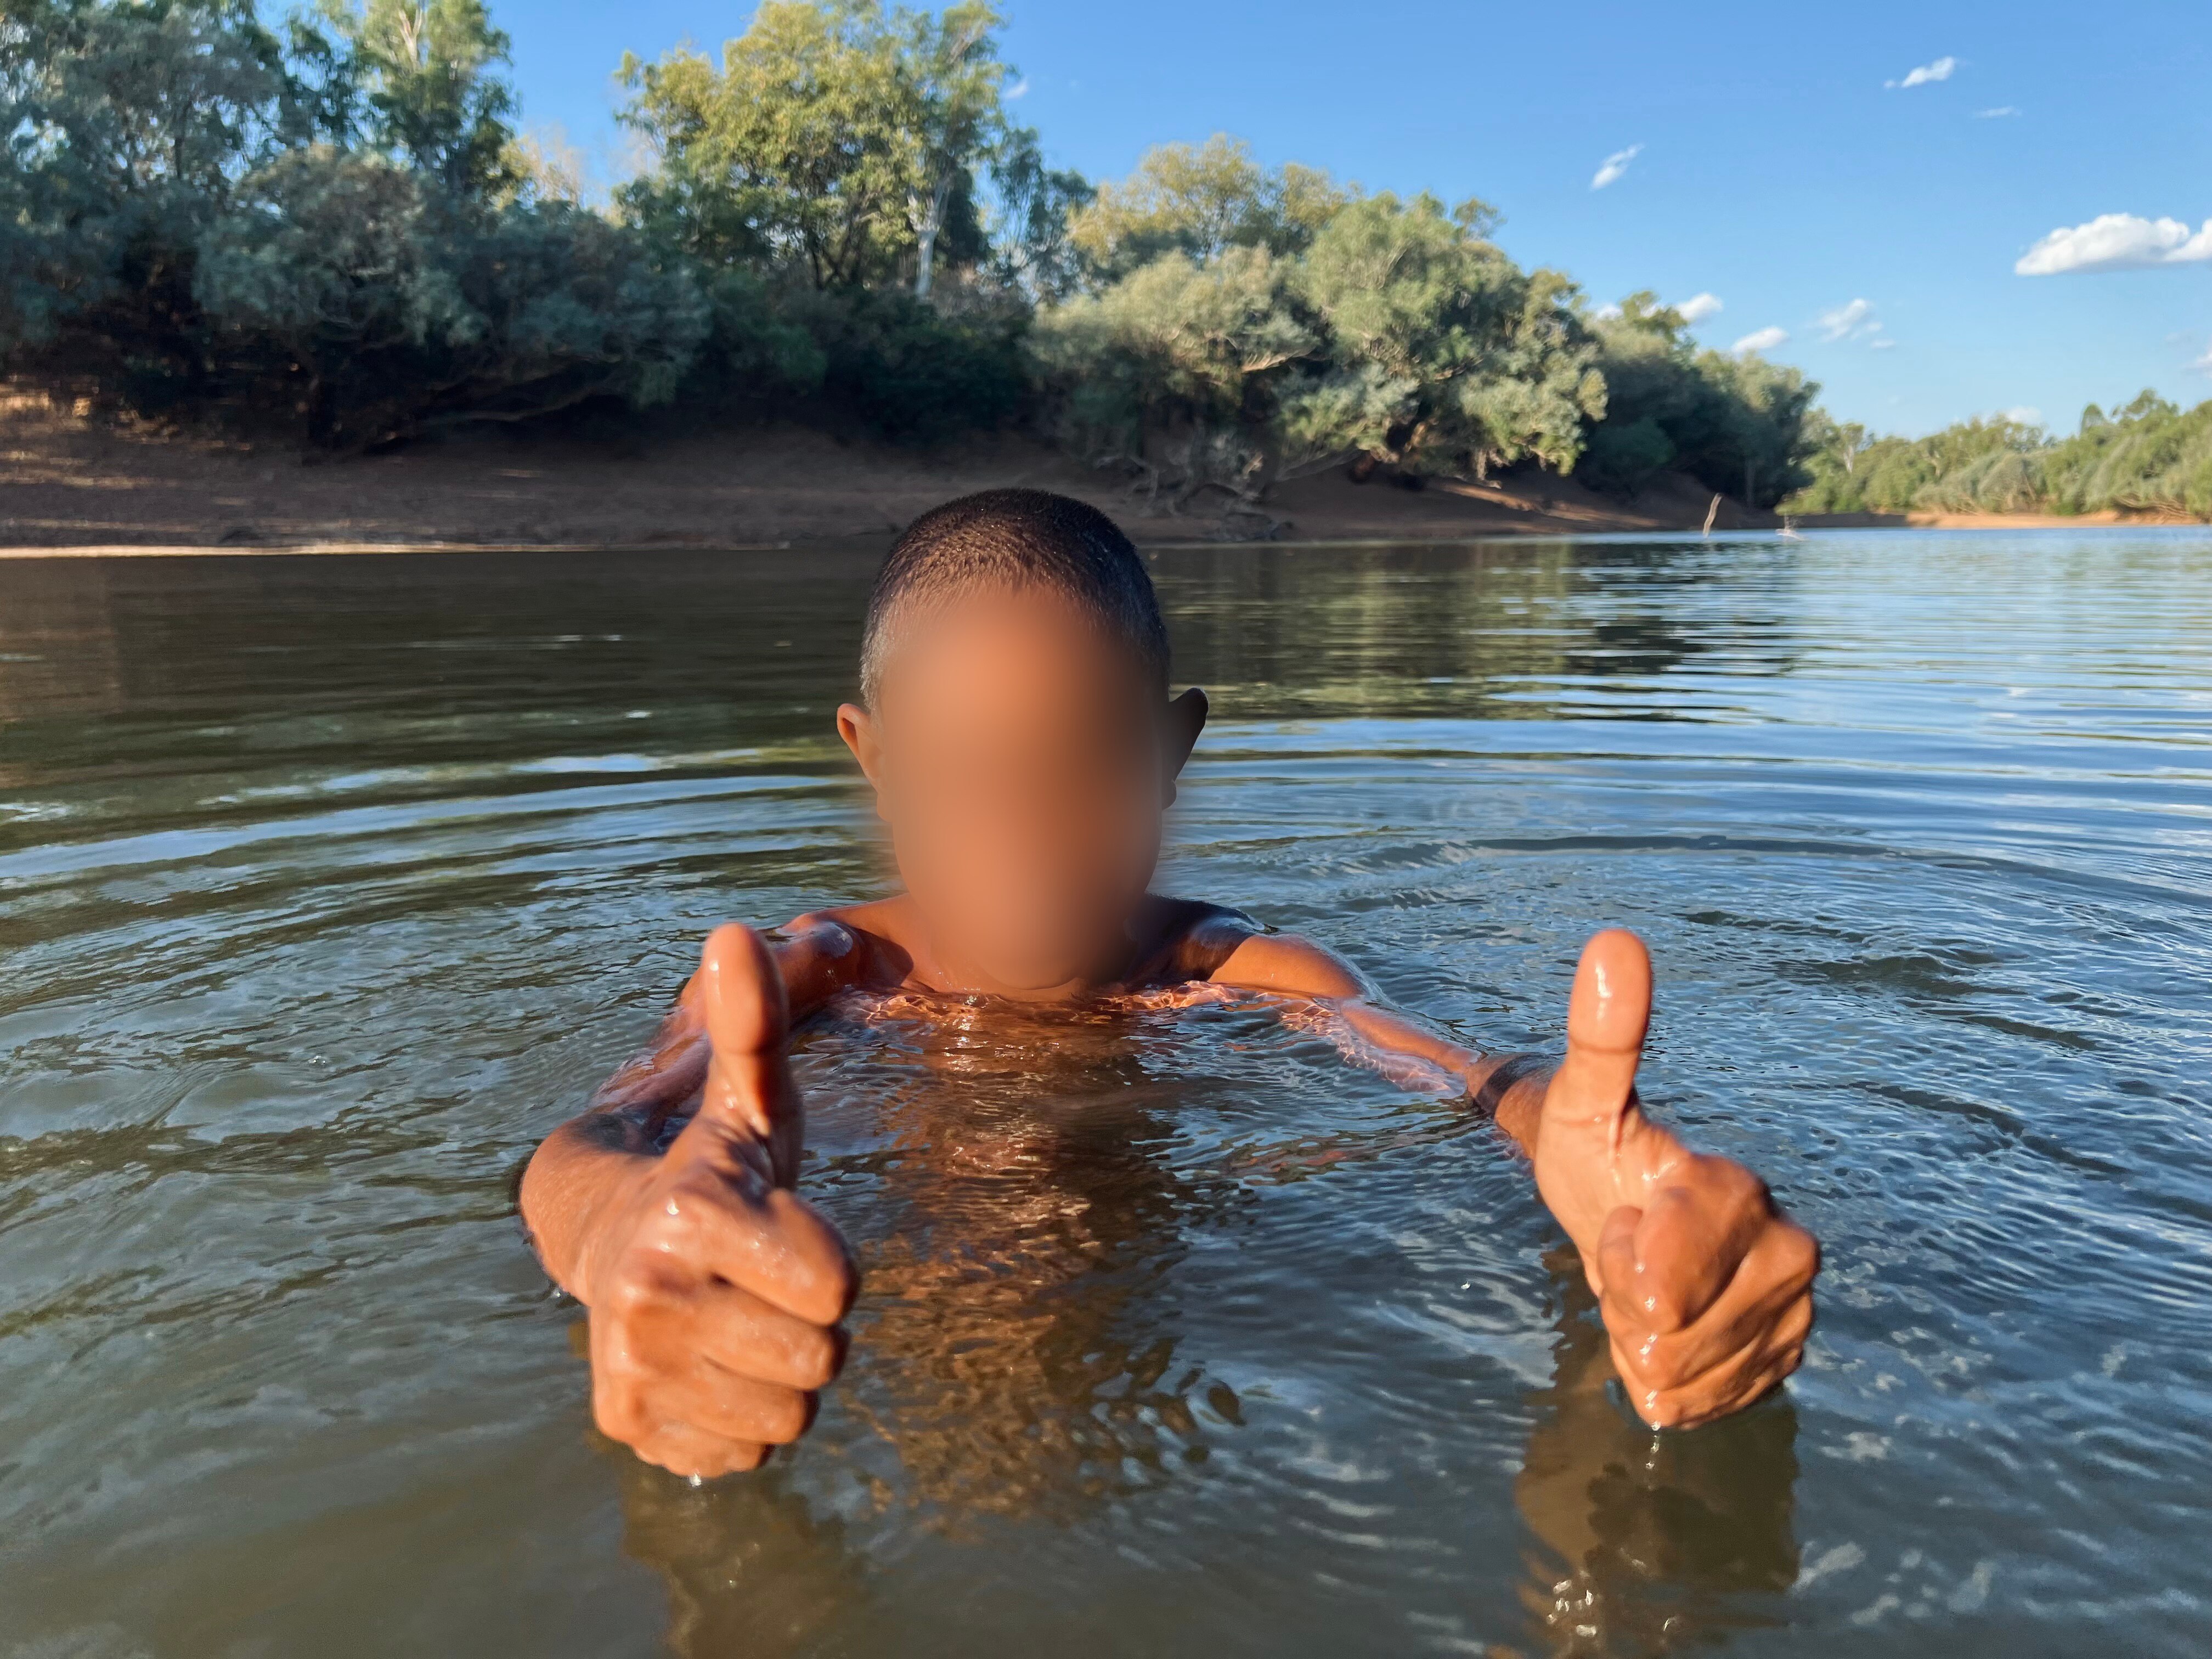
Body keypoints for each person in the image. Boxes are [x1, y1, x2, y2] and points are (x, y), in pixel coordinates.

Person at [519, 488, 1820, 1481]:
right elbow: (594, 1142)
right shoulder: (819, 975)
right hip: (876, 1361)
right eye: (968, 770)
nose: (1026, 836)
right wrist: (618, 1232)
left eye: (1084, 764)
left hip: (1160, 1375)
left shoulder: (1217, 970)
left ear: (1171, 750)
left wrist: (1577, 1163)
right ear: (874, 757)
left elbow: (1451, 1070)